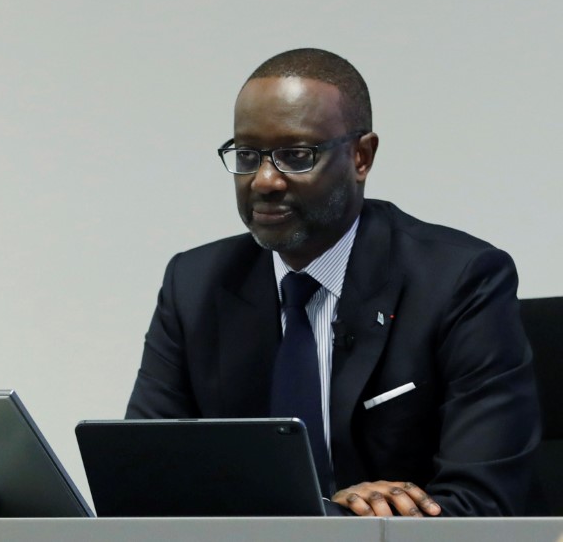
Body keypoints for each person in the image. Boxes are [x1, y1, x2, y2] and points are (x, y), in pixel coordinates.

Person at [125, 48, 541, 517]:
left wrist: (337, 523)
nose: (264, 180)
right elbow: (147, 483)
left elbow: (483, 503)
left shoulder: (461, 281)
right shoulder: (195, 285)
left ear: (361, 157)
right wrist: (329, 510)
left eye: (295, 156)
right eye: (247, 155)